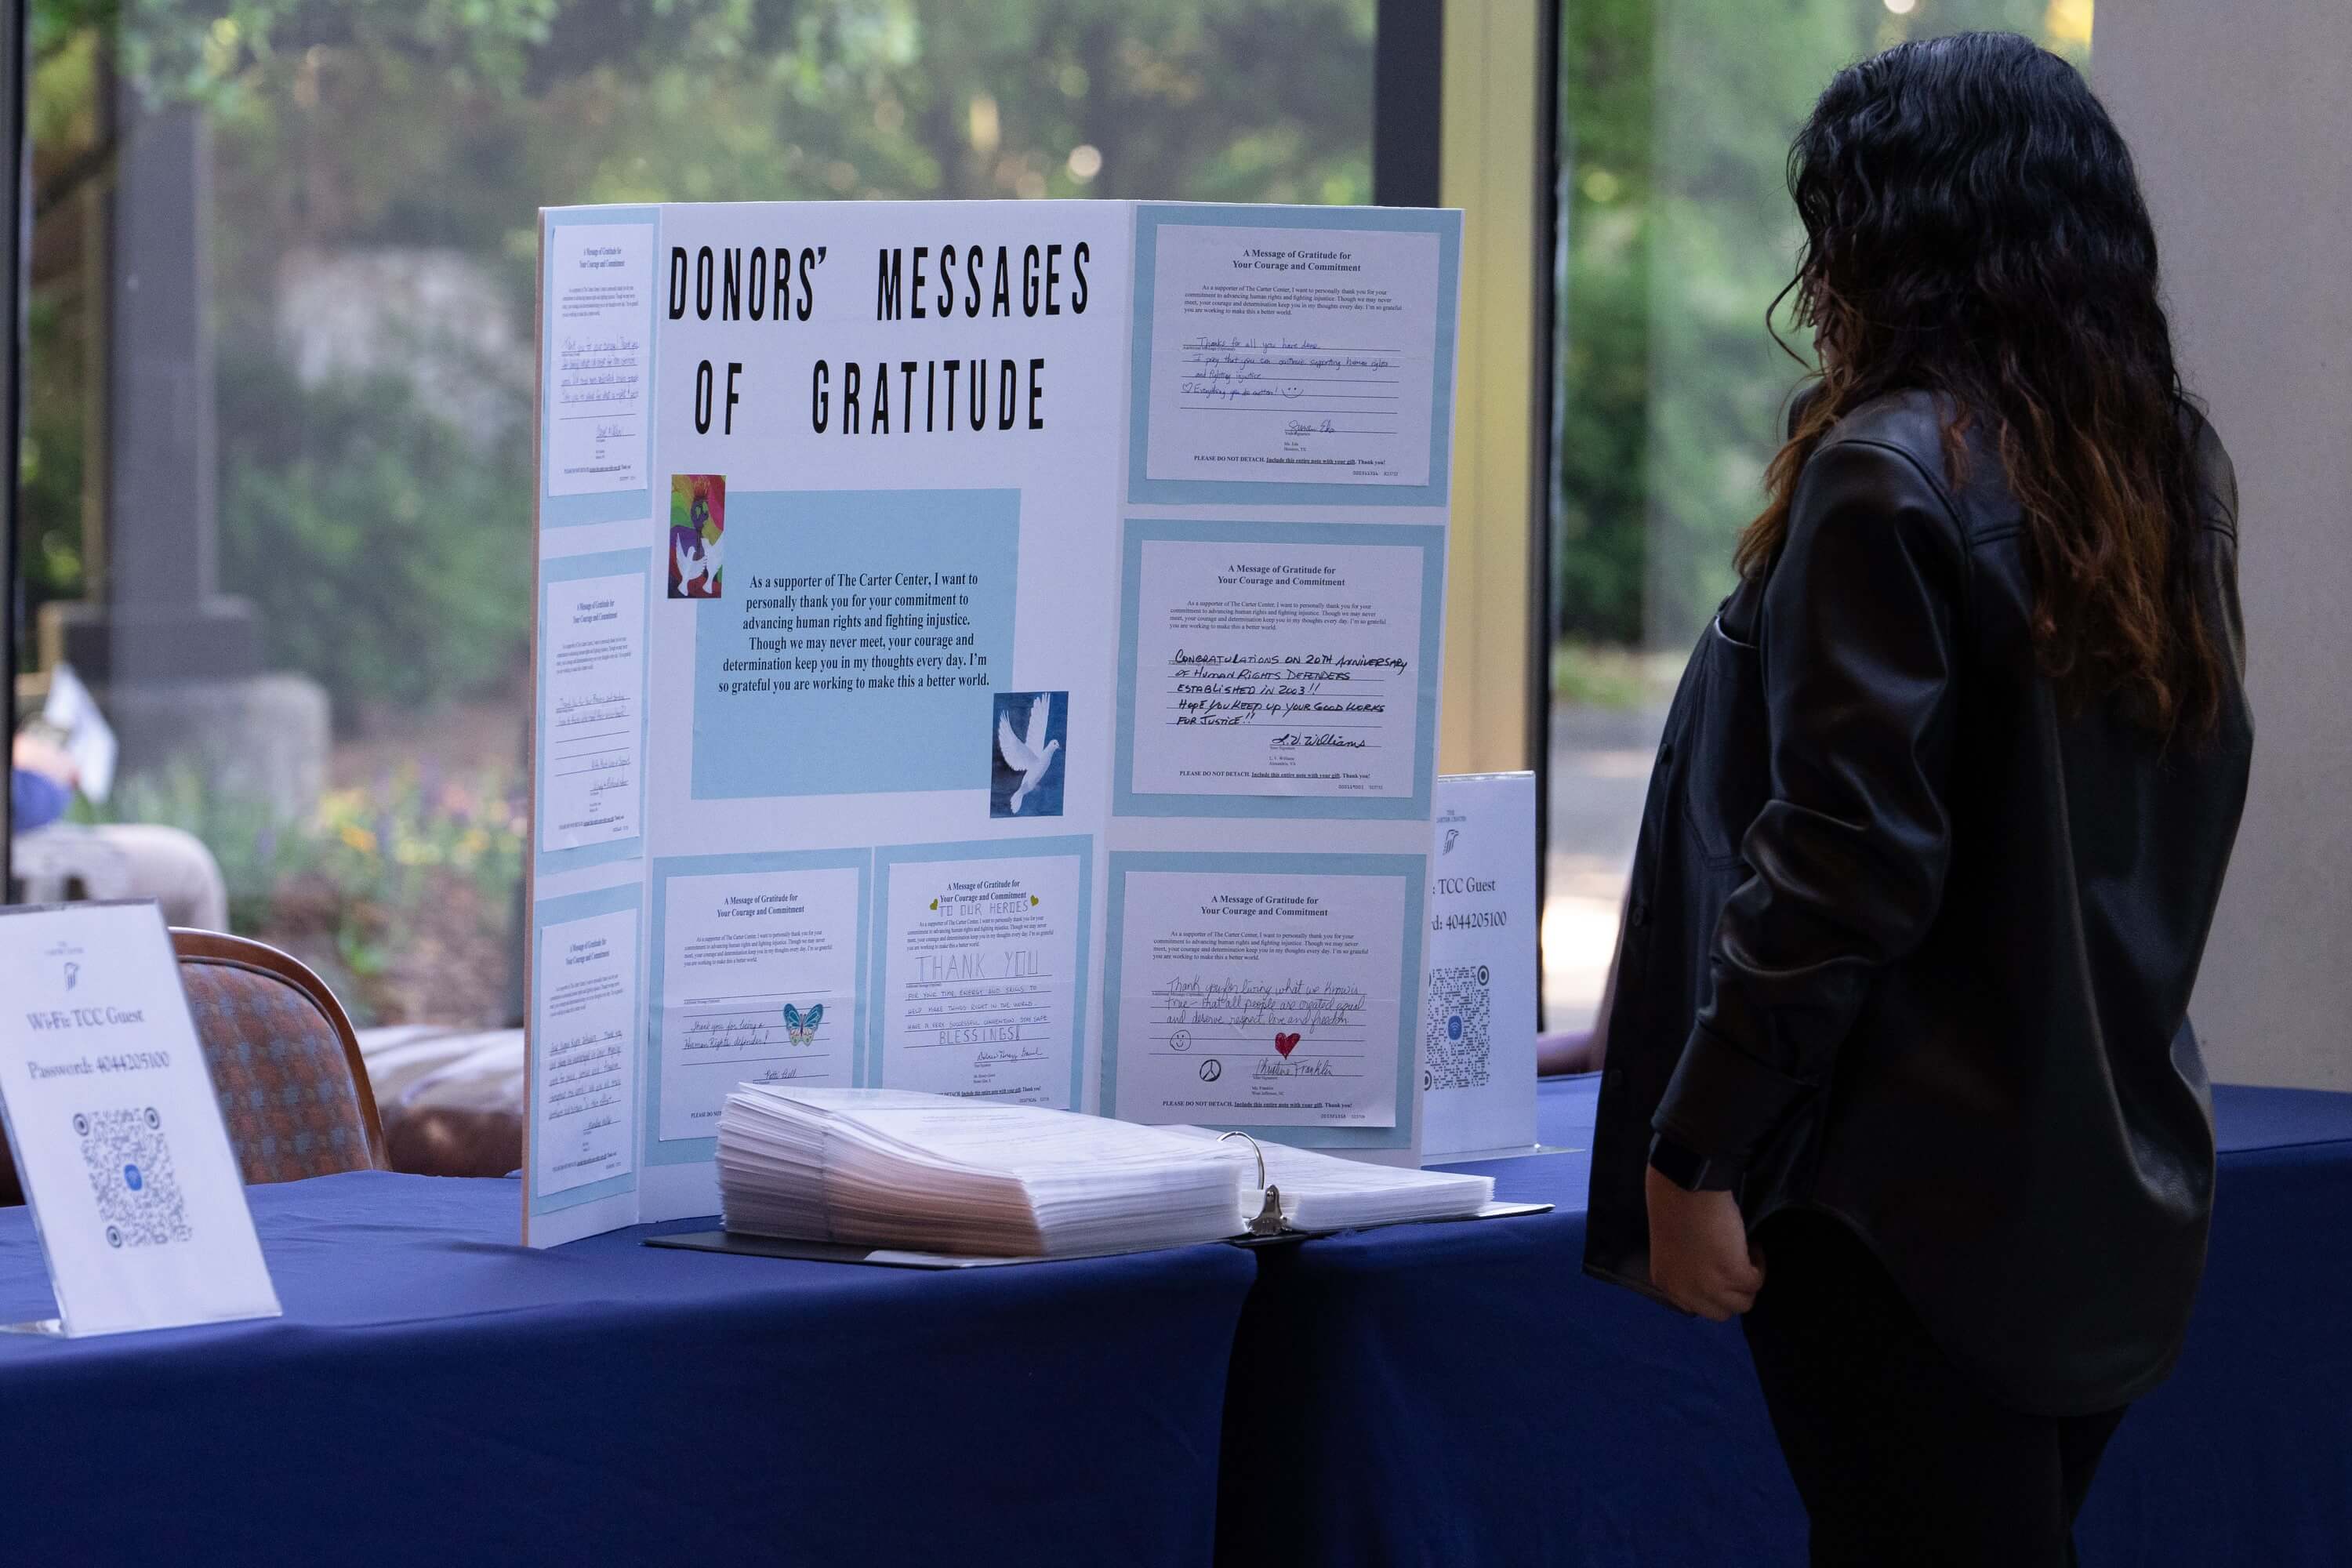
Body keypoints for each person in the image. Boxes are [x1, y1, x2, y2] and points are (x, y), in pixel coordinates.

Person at [1584, 32, 2252, 1567]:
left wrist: (1694, 1153)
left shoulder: (1887, 473)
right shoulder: (2159, 468)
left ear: (1886, 236)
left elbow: (1843, 864)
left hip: (1894, 1211)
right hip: (2102, 1183)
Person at [11, 730, 231, 931]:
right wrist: (42, 772)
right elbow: (17, 806)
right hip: (23, 837)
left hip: (30, 832)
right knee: (189, 870)